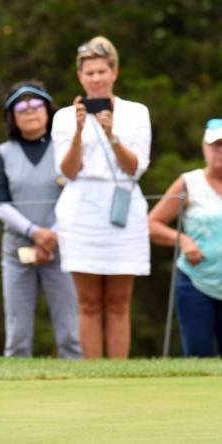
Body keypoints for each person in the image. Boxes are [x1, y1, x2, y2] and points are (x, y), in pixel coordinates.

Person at [52, 36, 151, 359]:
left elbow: (134, 167)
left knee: (119, 301)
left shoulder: (136, 113)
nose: (95, 78)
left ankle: (119, 370)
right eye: (89, 72)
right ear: (80, 76)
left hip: (122, 203)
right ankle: (92, 371)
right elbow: (67, 171)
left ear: (114, 72)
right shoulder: (66, 117)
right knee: (89, 301)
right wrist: (80, 132)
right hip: (81, 207)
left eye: (101, 71)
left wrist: (112, 135)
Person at [0, 80, 82, 359]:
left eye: (36, 105)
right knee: (17, 334)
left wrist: (52, 235)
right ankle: (15, 392)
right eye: (21, 107)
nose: (29, 112)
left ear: (48, 110)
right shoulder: (3, 153)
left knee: (71, 332)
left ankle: (79, 385)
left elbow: (76, 194)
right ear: (12, 116)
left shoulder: (65, 148)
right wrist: (35, 233)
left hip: (62, 245)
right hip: (19, 248)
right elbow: (1, 204)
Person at [148, 119, 222, 357]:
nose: (220, 151)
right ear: (204, 148)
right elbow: (152, 224)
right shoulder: (190, 183)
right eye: (215, 145)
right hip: (195, 283)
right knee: (199, 356)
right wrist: (183, 241)